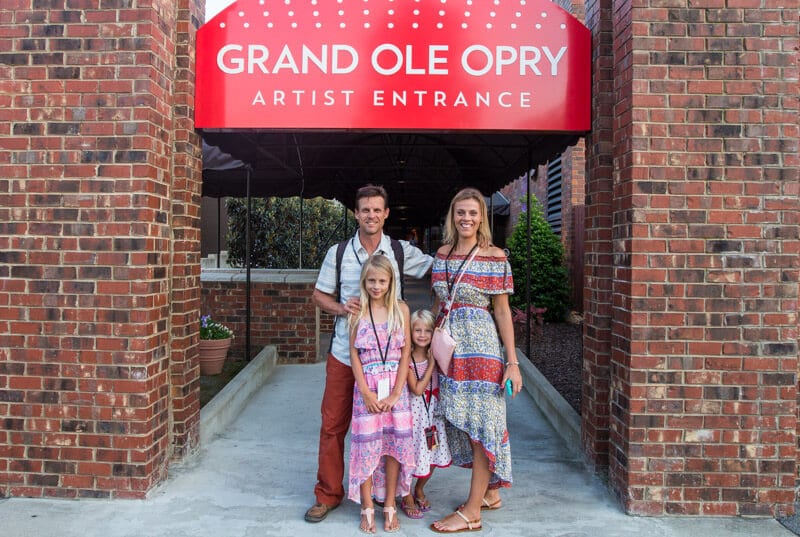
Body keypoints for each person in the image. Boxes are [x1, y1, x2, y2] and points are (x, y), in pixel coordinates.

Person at [306, 184, 434, 524]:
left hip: (390, 365)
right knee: (334, 425)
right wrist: (339, 307)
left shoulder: (400, 251)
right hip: (346, 356)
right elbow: (318, 295)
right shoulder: (338, 253)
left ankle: (384, 495)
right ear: (356, 213)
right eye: (365, 209)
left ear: (386, 213)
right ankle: (328, 493)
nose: (371, 215)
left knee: (390, 430)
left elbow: (439, 267)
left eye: (377, 209)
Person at [429, 187, 523, 534]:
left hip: (482, 350)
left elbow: (502, 311)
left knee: (482, 425)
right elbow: (439, 303)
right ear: (452, 217)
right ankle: (491, 495)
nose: (466, 218)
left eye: (473, 213)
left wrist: (511, 362)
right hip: (451, 348)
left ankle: (472, 512)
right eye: (460, 212)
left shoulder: (495, 256)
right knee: (462, 420)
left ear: (482, 217)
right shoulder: (442, 255)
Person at [347, 254, 415, 534]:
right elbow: (353, 352)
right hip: (368, 389)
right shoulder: (357, 311)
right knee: (366, 448)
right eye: (371, 280)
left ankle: (389, 504)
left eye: (382, 281)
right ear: (364, 281)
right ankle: (366, 506)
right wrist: (364, 391)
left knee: (393, 449)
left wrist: (398, 391)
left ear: (391, 282)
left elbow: (406, 353)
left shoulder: (402, 310)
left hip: (395, 391)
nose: (376, 286)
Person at [400, 309, 452, 520]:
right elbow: (418, 389)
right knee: (409, 459)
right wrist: (431, 364)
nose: (422, 335)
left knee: (432, 457)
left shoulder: (438, 356)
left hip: (432, 421)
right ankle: (406, 495)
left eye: (427, 331)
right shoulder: (408, 360)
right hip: (414, 419)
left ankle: (419, 489)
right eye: (417, 330)